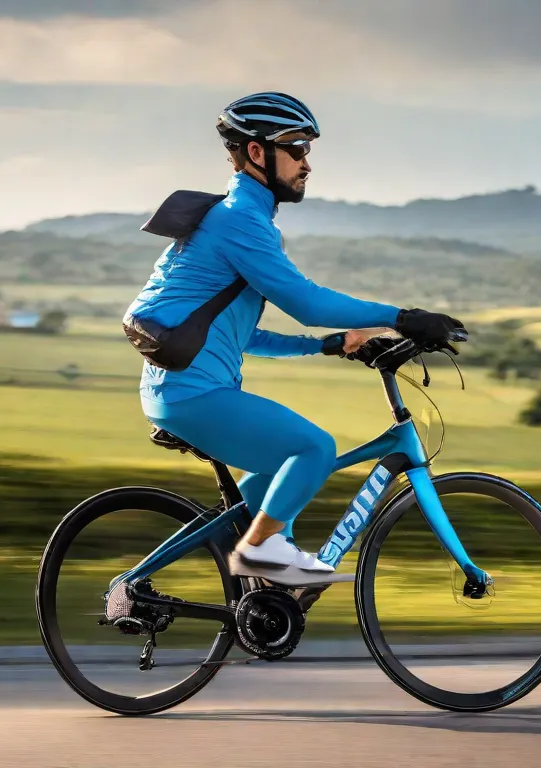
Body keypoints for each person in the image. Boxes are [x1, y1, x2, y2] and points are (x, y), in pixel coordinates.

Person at [124, 92, 463, 584]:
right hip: (193, 394)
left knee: (283, 470)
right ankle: (257, 552)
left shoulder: (245, 221)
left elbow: (244, 337)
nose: (307, 162)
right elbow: (307, 303)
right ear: (257, 153)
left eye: (308, 149)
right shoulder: (238, 220)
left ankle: (259, 590)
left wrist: (328, 344)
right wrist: (404, 316)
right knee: (313, 450)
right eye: (297, 147)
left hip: (187, 392)